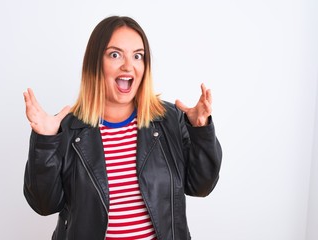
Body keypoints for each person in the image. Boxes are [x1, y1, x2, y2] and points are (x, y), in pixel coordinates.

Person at [23, 15, 222, 240]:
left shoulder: (169, 120)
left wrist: (200, 130)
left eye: (138, 56)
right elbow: (44, 205)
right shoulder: (67, 129)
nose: (128, 65)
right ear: (95, 63)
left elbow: (201, 186)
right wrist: (45, 141)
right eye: (115, 54)